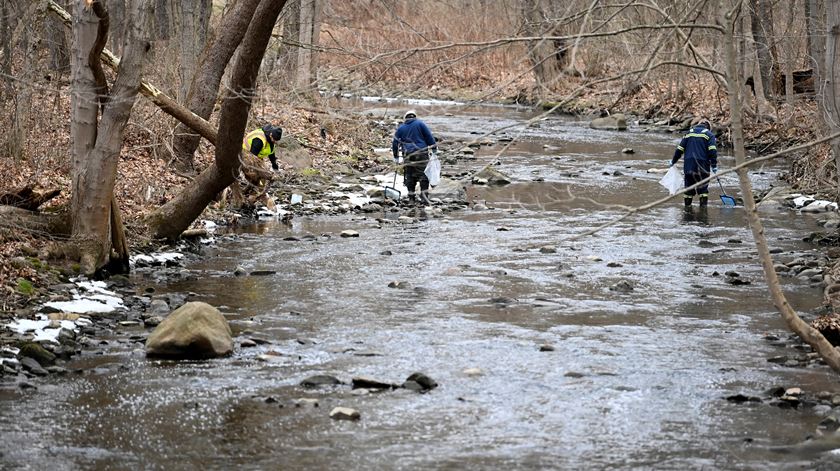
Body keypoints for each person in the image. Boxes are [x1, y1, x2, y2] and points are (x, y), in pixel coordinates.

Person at [392, 110, 437, 205]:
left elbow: (395, 142)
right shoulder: (420, 124)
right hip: (421, 152)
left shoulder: (401, 128)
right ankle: (424, 198)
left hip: (408, 154)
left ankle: (411, 199)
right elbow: (429, 137)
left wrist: (396, 156)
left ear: (405, 118)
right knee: (423, 175)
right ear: (415, 117)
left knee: (409, 175)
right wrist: (434, 148)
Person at [671, 119, 718, 207]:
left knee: (688, 188)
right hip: (702, 165)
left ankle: (687, 209)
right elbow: (712, 151)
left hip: (689, 165)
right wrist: (714, 165)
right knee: (703, 189)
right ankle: (703, 211)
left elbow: (680, 149)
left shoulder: (689, 133)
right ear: (708, 127)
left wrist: (673, 161)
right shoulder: (709, 135)